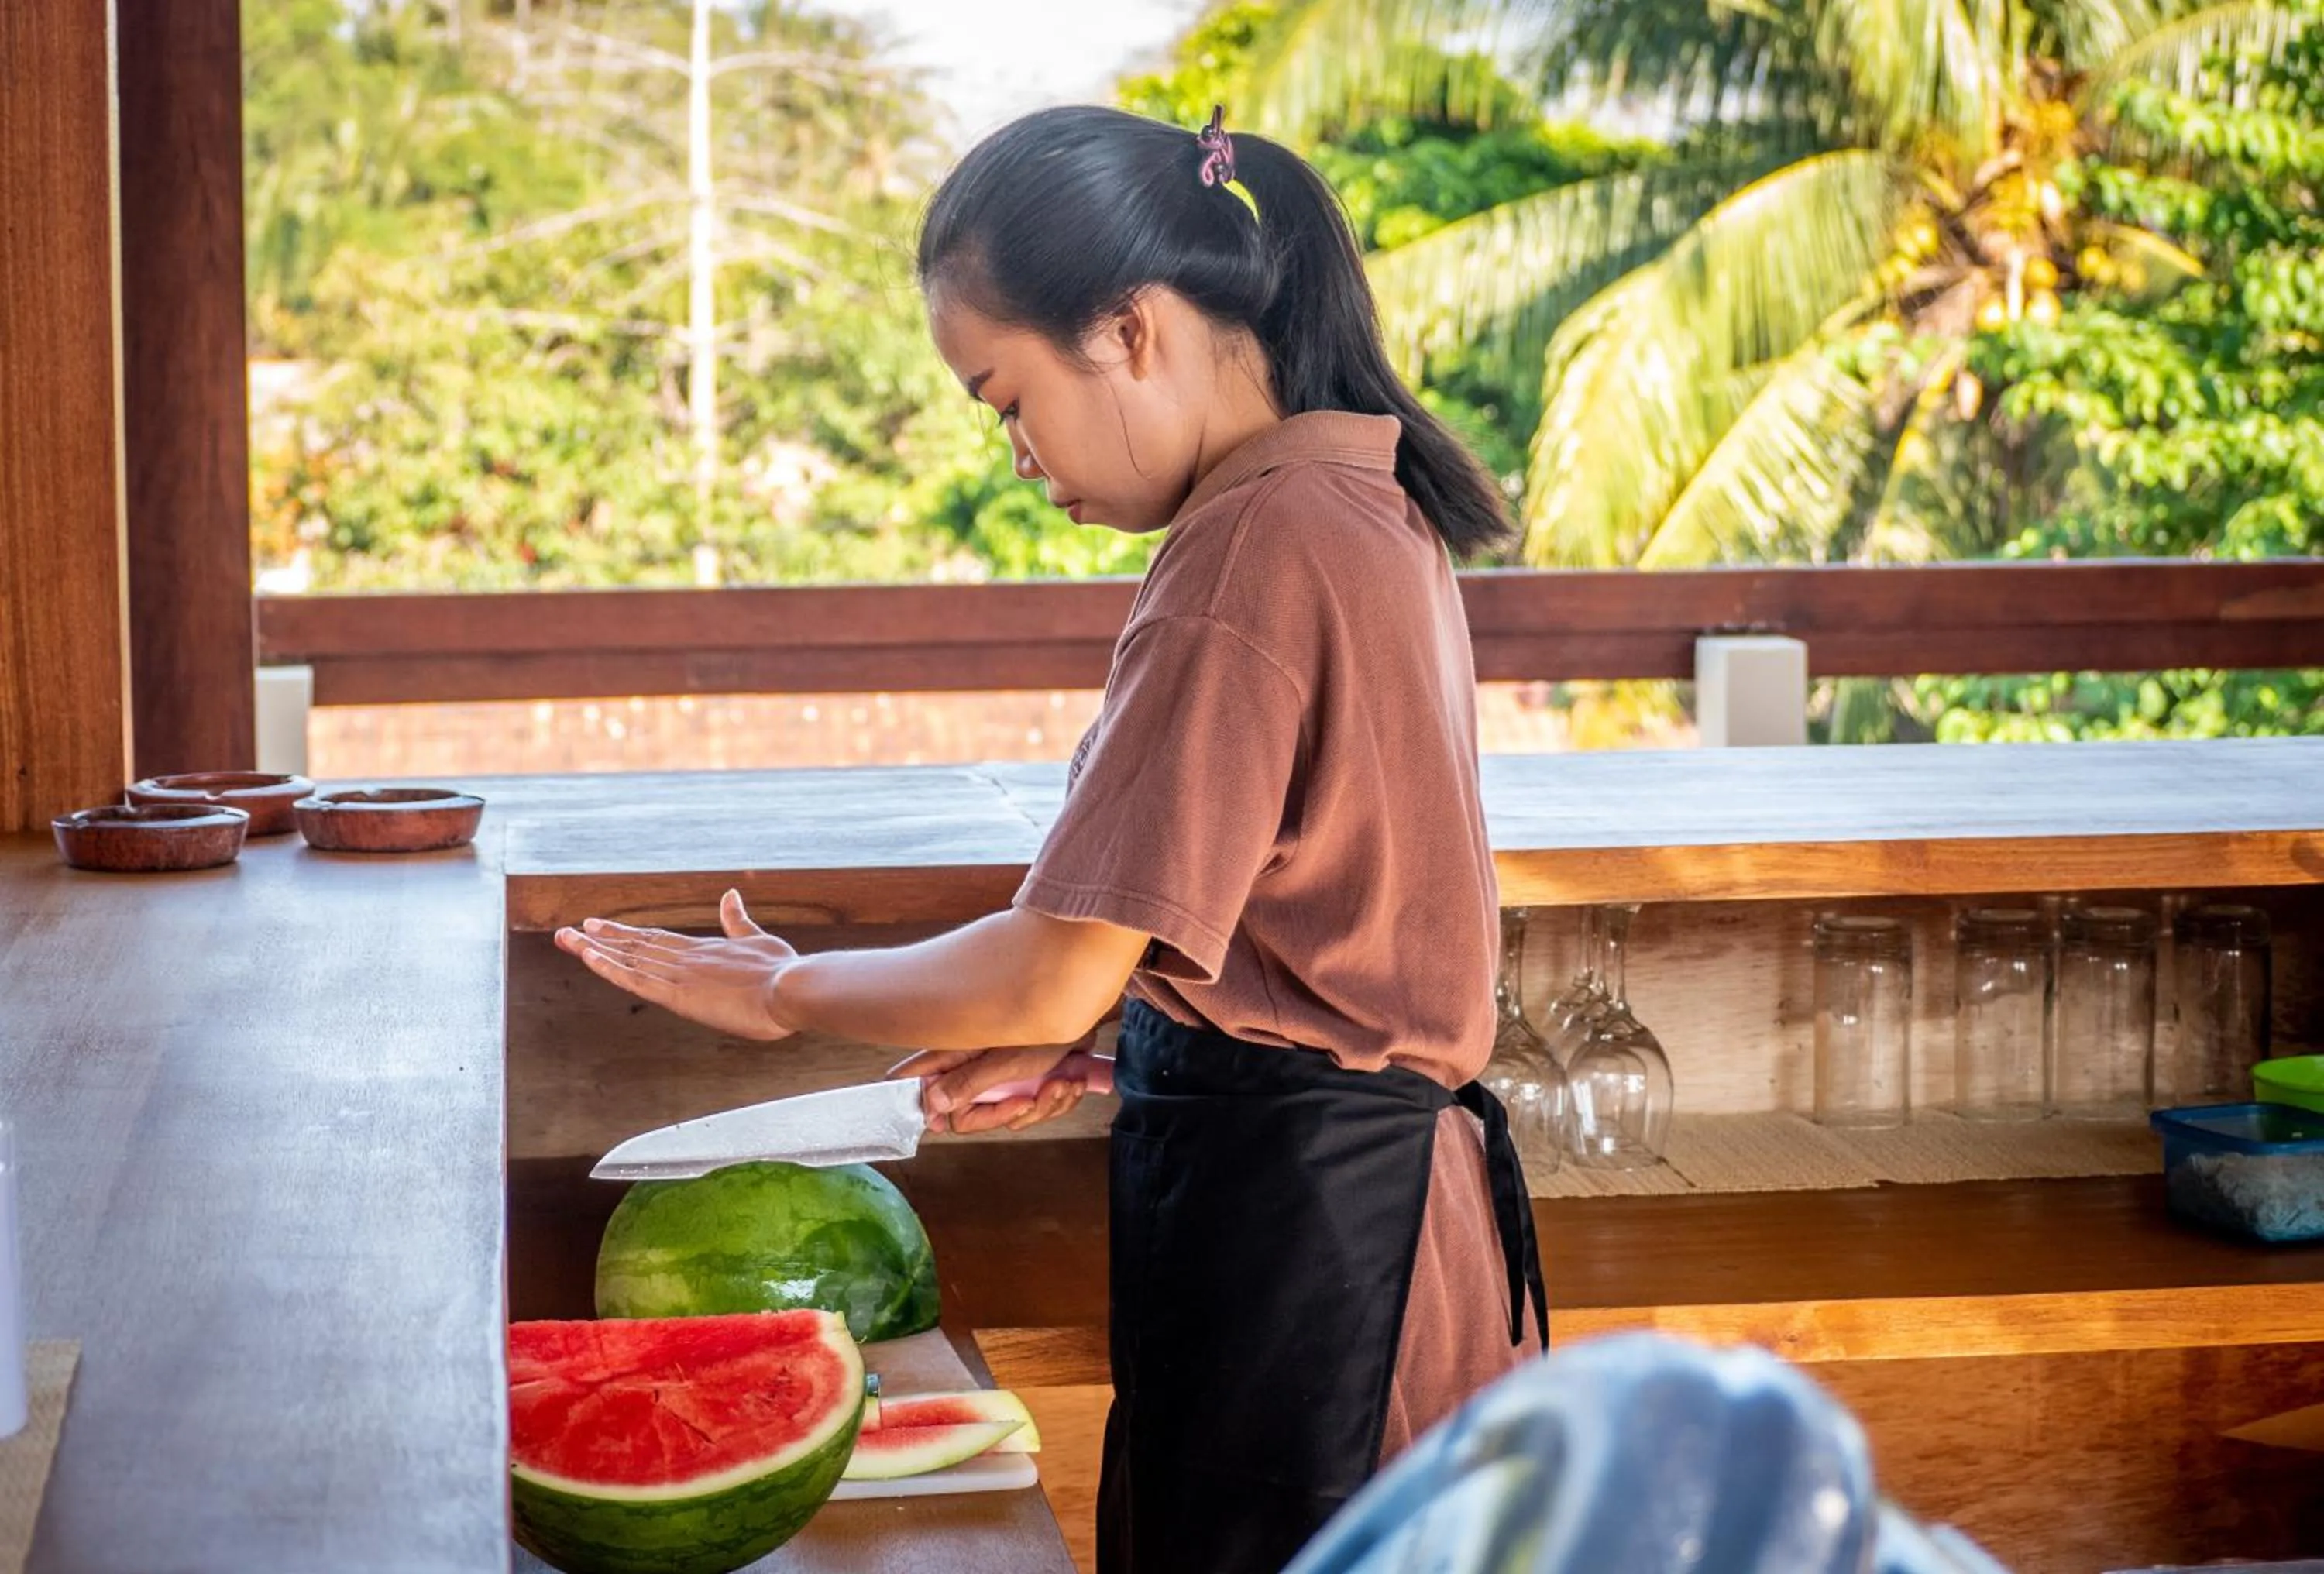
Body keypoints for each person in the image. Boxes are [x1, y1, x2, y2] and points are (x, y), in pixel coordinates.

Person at [555, 102, 1547, 1574]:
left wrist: (781, 996)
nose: (1016, 452)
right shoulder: (1353, 499)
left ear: (1131, 331)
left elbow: (1044, 971)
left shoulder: (1251, 548)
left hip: (1331, 1271)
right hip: (1365, 1226)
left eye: (1005, 398)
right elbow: (1309, 919)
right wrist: (1139, 1047)